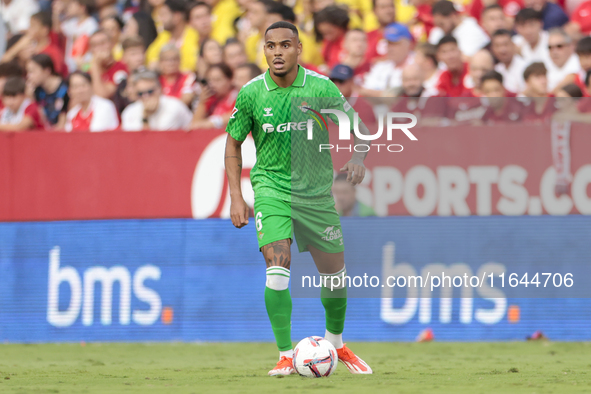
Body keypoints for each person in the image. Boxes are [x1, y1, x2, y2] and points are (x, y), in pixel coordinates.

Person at [224, 21, 372, 376]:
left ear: (298, 49)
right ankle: (286, 354)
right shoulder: (251, 93)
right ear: (264, 50)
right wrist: (236, 196)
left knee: (335, 276)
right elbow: (233, 142)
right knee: (278, 269)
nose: (277, 52)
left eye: (285, 45)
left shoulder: (321, 87)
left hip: (317, 196)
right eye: (271, 45)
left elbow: (358, 130)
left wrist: (357, 158)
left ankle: (336, 343)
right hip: (271, 190)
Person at [121, 70, 193, 131]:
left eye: (150, 92)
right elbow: (137, 141)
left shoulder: (175, 106)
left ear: (160, 89)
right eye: (140, 93)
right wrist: (145, 117)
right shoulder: (129, 112)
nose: (146, 96)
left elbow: (160, 140)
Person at [1, 12, 67, 78]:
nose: (29, 29)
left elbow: (56, 75)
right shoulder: (28, 47)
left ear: (44, 30)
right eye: (29, 26)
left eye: (33, 26)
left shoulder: (53, 52)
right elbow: (3, 61)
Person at [146, 0, 199, 72]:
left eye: (164, 15)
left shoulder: (194, 35)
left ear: (177, 17)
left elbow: (191, 65)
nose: (160, 19)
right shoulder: (164, 35)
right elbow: (151, 57)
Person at [362, 23, 414, 96]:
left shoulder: (416, 64)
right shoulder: (381, 66)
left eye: (395, 43)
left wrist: (377, 94)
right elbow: (364, 91)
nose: (390, 48)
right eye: (389, 43)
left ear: (409, 44)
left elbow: (400, 97)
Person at [53, 0, 99, 72]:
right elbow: (57, 29)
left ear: (82, 7)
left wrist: (78, 39)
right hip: (70, 65)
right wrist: (56, 12)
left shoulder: (91, 24)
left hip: (85, 64)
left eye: (72, 6)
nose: (69, 8)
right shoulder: (72, 23)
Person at [26, 54, 69, 128]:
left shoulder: (65, 90)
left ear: (47, 71)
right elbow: (42, 121)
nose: (28, 76)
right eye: (28, 72)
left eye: (32, 71)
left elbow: (63, 124)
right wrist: (31, 98)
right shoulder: (37, 91)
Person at [190, 63, 237, 129]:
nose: (212, 84)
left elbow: (239, 114)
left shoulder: (237, 96)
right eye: (209, 80)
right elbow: (193, 125)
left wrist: (211, 123)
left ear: (230, 80)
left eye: (217, 80)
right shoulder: (210, 99)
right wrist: (202, 103)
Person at [88, 30, 129, 99]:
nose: (99, 48)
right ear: (91, 50)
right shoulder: (89, 73)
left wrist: (95, 64)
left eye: (103, 43)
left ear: (112, 44)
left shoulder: (121, 67)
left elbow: (102, 96)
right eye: (95, 45)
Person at [113, 36, 147, 114]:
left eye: (142, 53)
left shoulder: (153, 77)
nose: (139, 58)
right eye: (133, 54)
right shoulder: (122, 82)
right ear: (124, 57)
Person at [545, 28, 582, 93]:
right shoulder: (546, 62)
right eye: (550, 47)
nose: (554, 51)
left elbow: (572, 78)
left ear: (571, 46)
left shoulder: (579, 61)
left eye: (559, 46)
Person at [491, 29, 527, 94]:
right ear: (493, 49)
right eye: (497, 46)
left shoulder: (525, 67)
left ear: (513, 45)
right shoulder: (496, 70)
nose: (502, 50)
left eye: (505, 44)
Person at [314, 5, 350, 69]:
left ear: (340, 25)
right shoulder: (327, 42)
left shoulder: (351, 41)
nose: (327, 37)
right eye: (323, 34)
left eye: (330, 32)